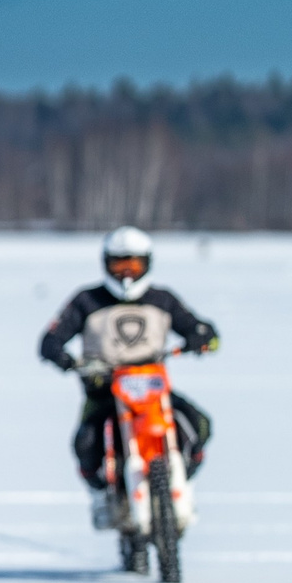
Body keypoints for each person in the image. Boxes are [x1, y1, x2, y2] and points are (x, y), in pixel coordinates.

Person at [40, 225, 220, 527]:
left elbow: (200, 329)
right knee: (85, 443)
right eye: (119, 264)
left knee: (198, 426)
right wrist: (66, 360)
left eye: (133, 264)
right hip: (104, 391)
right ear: (106, 264)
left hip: (152, 390)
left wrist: (202, 339)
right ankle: (102, 496)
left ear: (147, 264)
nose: (126, 273)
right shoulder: (87, 301)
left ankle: (180, 484)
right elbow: (50, 340)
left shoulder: (162, 300)